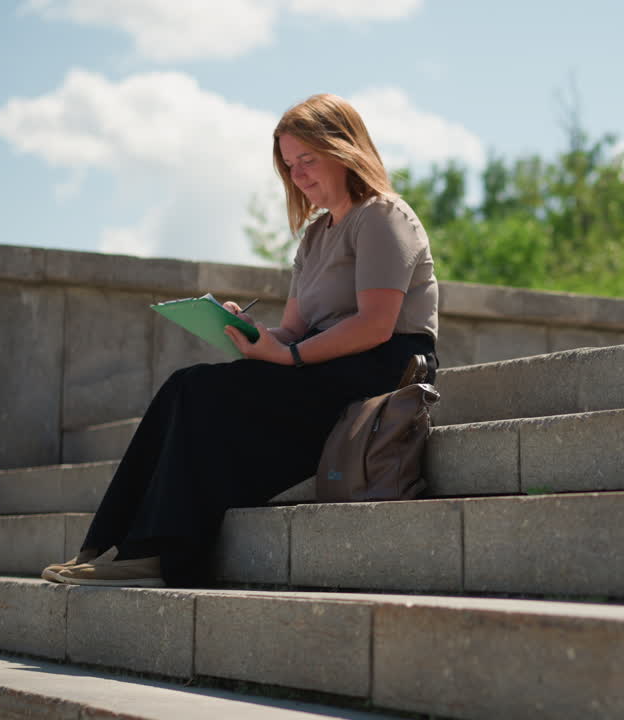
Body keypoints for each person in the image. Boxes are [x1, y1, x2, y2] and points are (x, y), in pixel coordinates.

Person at [41, 93, 439, 588]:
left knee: (204, 395)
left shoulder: (383, 216)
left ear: (344, 150)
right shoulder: (316, 236)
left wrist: (290, 355)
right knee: (184, 386)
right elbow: (293, 330)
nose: (298, 176)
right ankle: (111, 546)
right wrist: (251, 333)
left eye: (308, 160)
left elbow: (376, 325)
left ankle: (156, 554)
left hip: (380, 369)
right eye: (290, 165)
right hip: (324, 364)